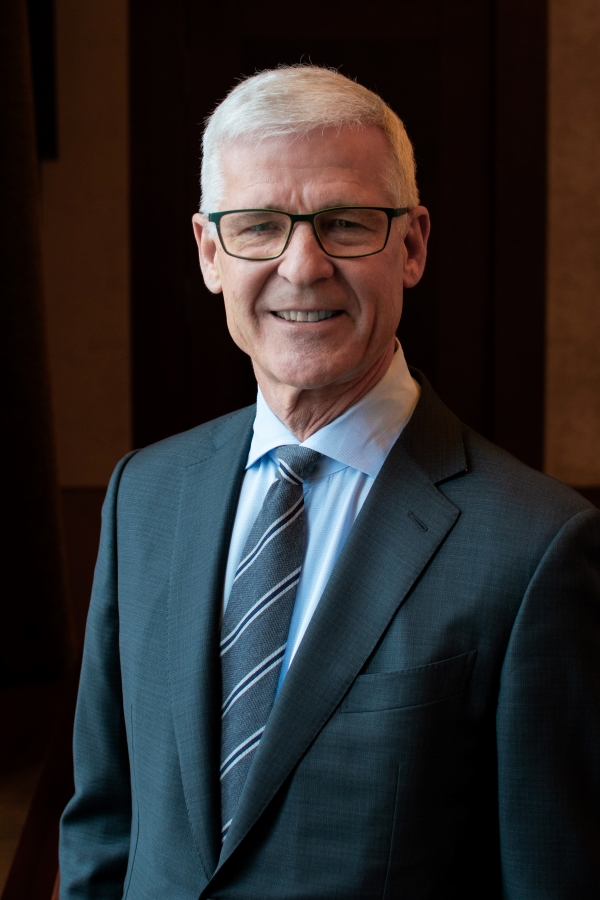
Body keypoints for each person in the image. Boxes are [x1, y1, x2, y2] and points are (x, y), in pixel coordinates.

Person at [59, 66, 600, 899]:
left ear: (412, 246)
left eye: (345, 224)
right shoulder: (144, 495)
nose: (303, 266)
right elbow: (105, 827)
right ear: (210, 252)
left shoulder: (535, 549)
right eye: (259, 227)